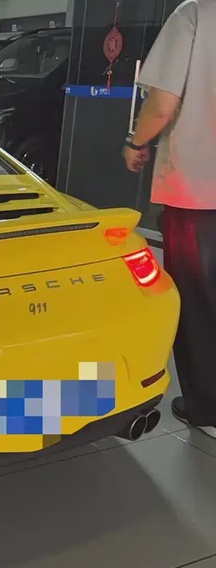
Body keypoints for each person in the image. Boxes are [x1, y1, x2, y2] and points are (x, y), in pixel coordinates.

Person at [123, 0, 216, 439]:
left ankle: (208, 408)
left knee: (198, 302)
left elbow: (162, 103)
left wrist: (135, 141)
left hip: (199, 191)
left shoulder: (195, 14)